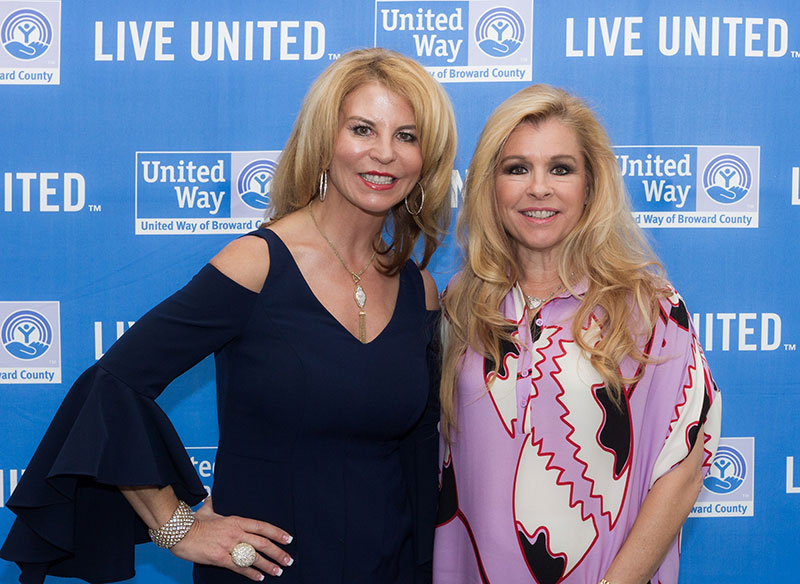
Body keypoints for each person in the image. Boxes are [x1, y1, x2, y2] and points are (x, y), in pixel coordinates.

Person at [1, 48, 457, 584]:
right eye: (362, 129)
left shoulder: (418, 290)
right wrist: (178, 527)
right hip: (264, 573)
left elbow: (419, 458)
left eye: (407, 135)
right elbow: (111, 386)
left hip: (388, 568)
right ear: (324, 142)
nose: (384, 153)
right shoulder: (257, 263)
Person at [432, 85, 721, 584]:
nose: (538, 187)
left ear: (590, 184)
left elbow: (683, 469)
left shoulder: (650, 307)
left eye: (561, 168)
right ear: (489, 186)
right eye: (516, 168)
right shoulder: (462, 303)